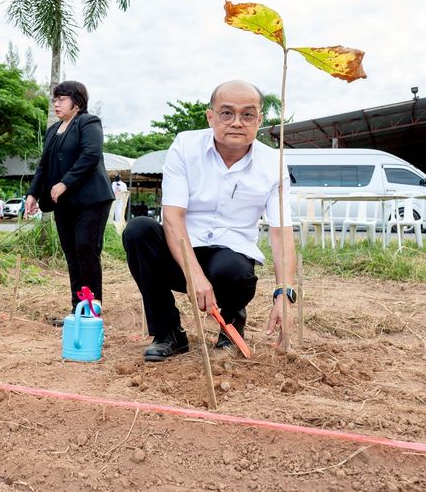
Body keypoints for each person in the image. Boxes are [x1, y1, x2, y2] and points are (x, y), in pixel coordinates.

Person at [122, 80, 297, 362]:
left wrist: (284, 293)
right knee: (138, 230)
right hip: (181, 253)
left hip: (231, 259)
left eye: (247, 114)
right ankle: (168, 333)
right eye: (227, 113)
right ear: (210, 116)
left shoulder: (272, 164)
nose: (237, 122)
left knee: (232, 269)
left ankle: (231, 330)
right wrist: (194, 275)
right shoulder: (185, 146)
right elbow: (173, 216)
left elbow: (281, 233)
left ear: (259, 120)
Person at [25, 81, 114, 313]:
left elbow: (90, 155)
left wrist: (65, 183)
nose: (56, 103)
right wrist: (33, 193)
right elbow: (43, 166)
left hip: (92, 200)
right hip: (63, 204)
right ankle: (78, 308)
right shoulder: (52, 131)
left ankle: (93, 308)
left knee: (85, 248)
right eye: (55, 99)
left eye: (62, 99)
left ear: (77, 102)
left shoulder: (88, 122)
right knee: (72, 254)